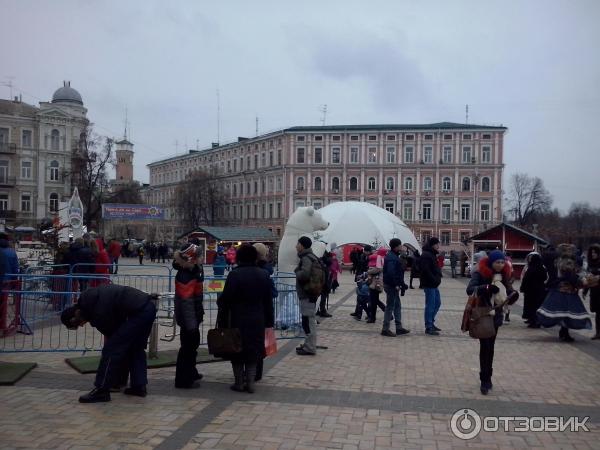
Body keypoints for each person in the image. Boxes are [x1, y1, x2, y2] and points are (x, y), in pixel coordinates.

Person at [60, 284, 157, 402]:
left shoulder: (97, 312)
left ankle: (102, 390)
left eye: (78, 324)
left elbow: (113, 337)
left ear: (75, 316)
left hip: (138, 313)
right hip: (147, 308)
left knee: (111, 350)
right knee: (135, 348)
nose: (81, 325)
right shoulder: (90, 301)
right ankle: (138, 386)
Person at [217, 244, 274, 393]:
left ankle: (238, 383)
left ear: (239, 257)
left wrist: (222, 316)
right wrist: (269, 322)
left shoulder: (234, 275)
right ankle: (250, 383)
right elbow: (268, 301)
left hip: (237, 318)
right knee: (253, 351)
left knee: (237, 350)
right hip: (257, 319)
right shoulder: (263, 274)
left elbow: (226, 299)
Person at [467, 250, 516, 395]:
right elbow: (470, 289)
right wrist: (486, 287)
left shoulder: (504, 275)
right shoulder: (480, 273)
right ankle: (484, 379)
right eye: (497, 262)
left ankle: (488, 377)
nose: (500, 265)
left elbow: (508, 292)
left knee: (491, 347)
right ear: (491, 262)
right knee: (485, 346)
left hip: (496, 315)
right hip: (483, 313)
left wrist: (512, 295)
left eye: (502, 262)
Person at [537, 244, 595, 342]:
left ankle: (564, 332)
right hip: (564, 291)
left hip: (564, 290)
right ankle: (564, 332)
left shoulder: (560, 261)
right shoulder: (566, 262)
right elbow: (569, 276)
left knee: (565, 313)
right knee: (566, 312)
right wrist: (579, 281)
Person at [172, 242, 205, 388]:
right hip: (188, 320)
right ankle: (184, 380)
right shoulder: (186, 275)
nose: (202, 258)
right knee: (187, 349)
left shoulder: (192, 271)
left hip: (191, 318)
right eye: (200, 256)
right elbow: (187, 303)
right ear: (192, 258)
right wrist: (192, 326)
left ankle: (191, 373)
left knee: (191, 347)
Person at [253, 242, 278, 382]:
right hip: (262, 312)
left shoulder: (243, 269)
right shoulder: (267, 271)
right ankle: (257, 373)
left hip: (247, 313)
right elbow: (273, 293)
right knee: (261, 343)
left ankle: (248, 372)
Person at [294, 236, 321, 355]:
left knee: (308, 321)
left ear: (302, 245)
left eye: (298, 244)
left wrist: (297, 272)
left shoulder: (306, 258)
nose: (296, 246)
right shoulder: (312, 257)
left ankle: (310, 347)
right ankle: (308, 344)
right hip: (310, 293)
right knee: (307, 319)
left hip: (307, 293)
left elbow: (304, 274)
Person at [381, 238, 409, 337]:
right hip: (391, 286)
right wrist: (397, 284)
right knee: (390, 306)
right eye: (400, 245)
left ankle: (399, 327)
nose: (401, 247)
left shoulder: (393, 256)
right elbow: (391, 273)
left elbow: (397, 273)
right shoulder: (392, 257)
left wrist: (401, 283)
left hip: (392, 285)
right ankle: (385, 329)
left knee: (397, 306)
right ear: (396, 246)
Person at [420, 237, 443, 336]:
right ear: (432, 245)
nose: (439, 246)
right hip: (429, 284)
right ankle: (428, 326)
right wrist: (434, 279)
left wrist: (438, 276)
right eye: (437, 244)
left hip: (434, 284)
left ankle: (431, 322)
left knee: (437, 303)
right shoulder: (426, 255)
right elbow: (425, 270)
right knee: (430, 305)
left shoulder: (432, 254)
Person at [520, 252, 547, 328]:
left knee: (530, 306)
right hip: (540, 290)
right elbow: (545, 277)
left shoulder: (531, 268)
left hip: (530, 290)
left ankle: (533, 321)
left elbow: (526, 279)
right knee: (538, 306)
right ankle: (537, 320)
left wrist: (523, 288)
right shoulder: (542, 268)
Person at [583, 244, 600, 339]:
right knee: (597, 312)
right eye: (592, 252)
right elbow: (588, 278)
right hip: (594, 292)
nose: (593, 254)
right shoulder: (590, 265)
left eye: (595, 252)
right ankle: (598, 332)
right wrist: (585, 291)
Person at [317, 250, 332, 318]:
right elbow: (329, 262)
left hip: (322, 279)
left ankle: (319, 310)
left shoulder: (321, 253)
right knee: (322, 296)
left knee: (321, 296)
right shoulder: (323, 254)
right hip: (322, 280)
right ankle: (322, 311)